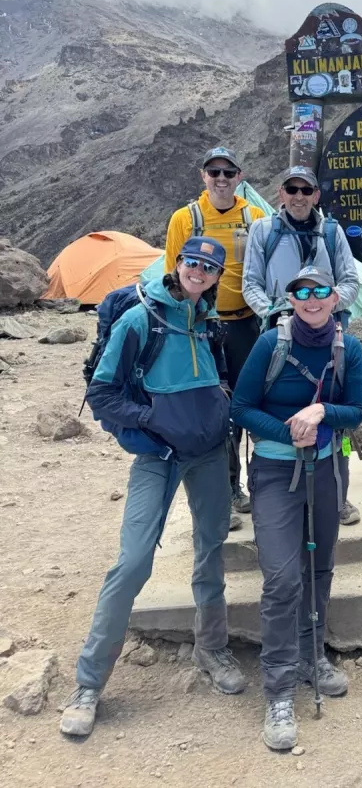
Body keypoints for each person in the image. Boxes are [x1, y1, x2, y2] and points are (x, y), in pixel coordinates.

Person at [60, 238, 245, 738]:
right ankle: (89, 685)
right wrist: (153, 419)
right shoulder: (139, 320)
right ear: (177, 264)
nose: (200, 272)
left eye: (210, 267)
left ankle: (211, 648)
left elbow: (218, 381)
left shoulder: (209, 324)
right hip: (158, 456)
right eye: (193, 262)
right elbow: (101, 392)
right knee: (134, 560)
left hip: (209, 454)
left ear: (216, 274)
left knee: (211, 548)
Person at [231, 267, 362, 751]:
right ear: (291, 300)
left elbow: (357, 410)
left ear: (335, 298)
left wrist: (321, 412)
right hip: (273, 473)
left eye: (320, 291)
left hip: (328, 470)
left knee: (321, 566)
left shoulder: (347, 348)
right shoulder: (271, 344)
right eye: (301, 292)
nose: (311, 299)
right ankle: (280, 690)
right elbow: (241, 408)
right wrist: (289, 429)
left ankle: (313, 655)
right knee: (283, 578)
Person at [242, 165, 362, 526]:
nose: (298, 197)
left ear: (316, 196)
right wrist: (278, 311)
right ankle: (275, 487)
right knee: (274, 402)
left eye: (305, 190)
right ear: (281, 193)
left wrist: (323, 307)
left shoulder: (331, 231)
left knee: (334, 408)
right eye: (291, 190)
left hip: (329, 333)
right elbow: (251, 283)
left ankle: (336, 494)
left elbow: (350, 280)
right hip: (278, 333)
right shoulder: (263, 230)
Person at [165, 146, 266, 529]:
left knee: (250, 404)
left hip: (245, 326)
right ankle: (227, 488)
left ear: (240, 176)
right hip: (203, 326)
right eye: (214, 172)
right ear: (202, 176)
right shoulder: (185, 218)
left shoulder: (253, 216)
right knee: (214, 409)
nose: (221, 179)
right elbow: (173, 272)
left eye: (228, 172)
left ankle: (258, 484)